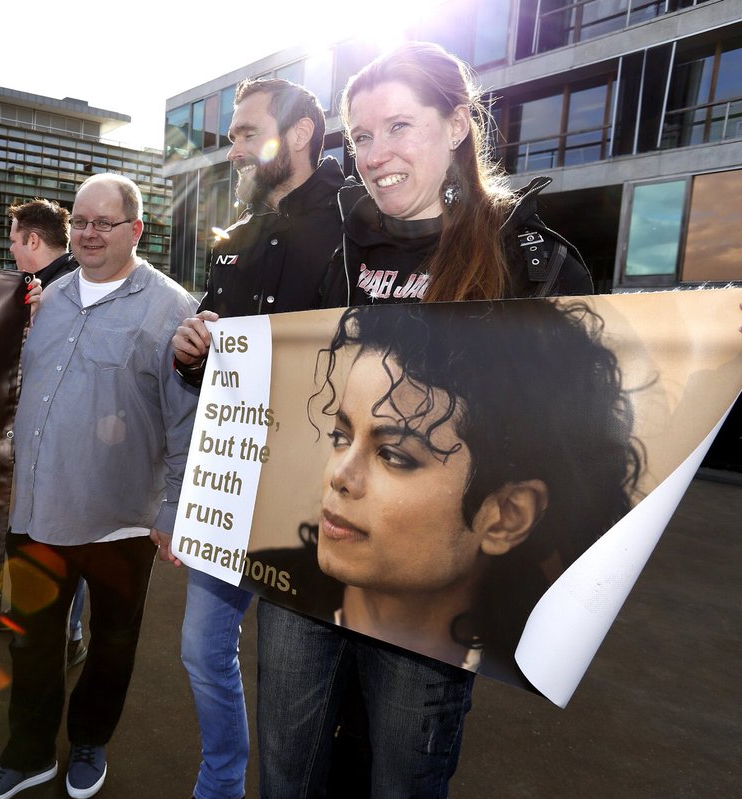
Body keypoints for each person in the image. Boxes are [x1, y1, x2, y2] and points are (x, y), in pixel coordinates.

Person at [253, 42, 594, 798]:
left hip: (427, 594)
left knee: (402, 778)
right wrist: (208, 354)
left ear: (456, 124)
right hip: (310, 557)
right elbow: (287, 374)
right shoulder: (334, 241)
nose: (376, 155)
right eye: (363, 136)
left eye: (398, 127)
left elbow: (567, 433)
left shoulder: (531, 261)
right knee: (284, 770)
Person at [0, 174, 199, 799]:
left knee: (114, 641)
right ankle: (29, 754)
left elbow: (185, 419)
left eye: (104, 223)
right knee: (33, 641)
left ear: (136, 231)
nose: (89, 234)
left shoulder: (172, 309)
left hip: (121, 520)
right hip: (35, 512)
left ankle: (90, 740)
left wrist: (173, 508)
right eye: (80, 222)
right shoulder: (47, 300)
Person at [167, 77, 347, 799]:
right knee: (199, 648)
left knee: (296, 678)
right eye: (233, 135)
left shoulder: (356, 222)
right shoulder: (233, 239)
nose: (235, 148)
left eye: (247, 133)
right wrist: (187, 352)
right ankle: (220, 785)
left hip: (317, 492)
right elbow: (207, 354)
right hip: (231, 478)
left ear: (299, 134)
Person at [308, 301, 641, 677]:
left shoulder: (523, 660)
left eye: (394, 456)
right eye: (341, 436)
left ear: (507, 518)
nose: (340, 475)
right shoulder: (280, 578)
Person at [6, 197, 87, 668]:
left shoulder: (69, 291)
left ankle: (66, 632)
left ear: (33, 240)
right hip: (36, 446)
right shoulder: (34, 289)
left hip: (62, 452)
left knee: (63, 546)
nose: (12, 251)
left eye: (15, 241)